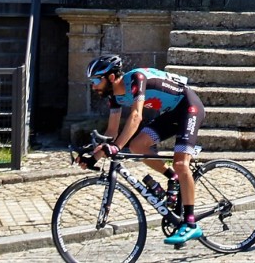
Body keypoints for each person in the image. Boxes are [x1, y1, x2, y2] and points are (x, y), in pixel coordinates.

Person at [83, 55, 206, 245]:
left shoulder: (135, 79)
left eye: (97, 80)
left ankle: (190, 224)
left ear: (112, 78)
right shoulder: (115, 97)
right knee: (137, 146)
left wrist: (116, 147)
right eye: (92, 81)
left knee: (181, 163)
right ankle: (172, 178)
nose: (94, 86)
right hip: (171, 113)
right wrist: (93, 157)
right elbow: (112, 131)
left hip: (189, 107)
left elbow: (136, 116)